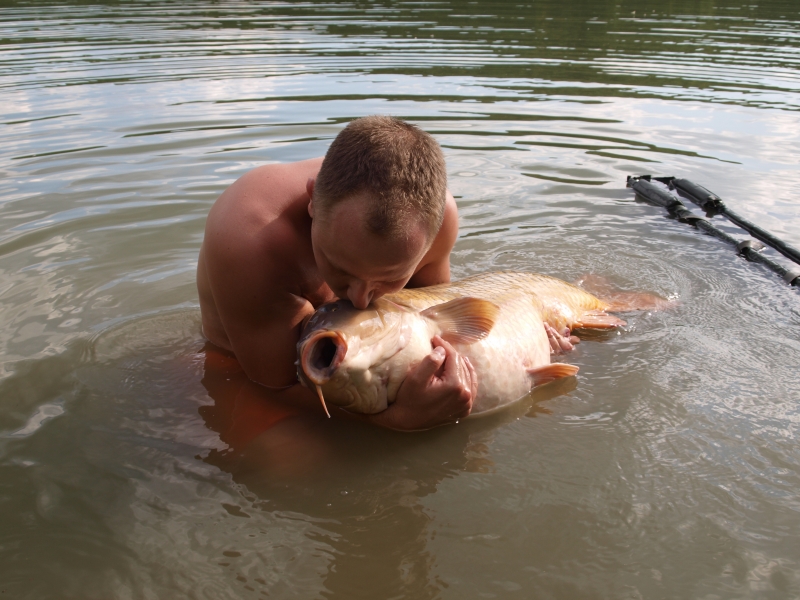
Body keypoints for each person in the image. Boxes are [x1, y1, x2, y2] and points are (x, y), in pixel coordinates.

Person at [197, 116, 477, 431]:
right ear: (313, 202)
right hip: (243, 371)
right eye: (339, 269)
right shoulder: (251, 238)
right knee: (292, 454)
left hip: (353, 356)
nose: (359, 299)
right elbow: (277, 387)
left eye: (389, 279)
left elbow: (435, 319)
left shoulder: (434, 220)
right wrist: (400, 420)